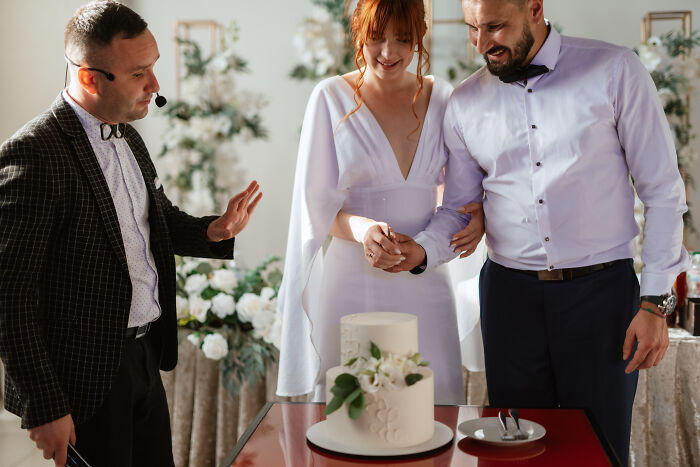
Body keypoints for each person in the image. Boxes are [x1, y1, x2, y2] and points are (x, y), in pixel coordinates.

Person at [395, 0, 690, 464]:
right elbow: (457, 210)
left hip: (602, 297)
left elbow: (663, 191)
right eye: (472, 28)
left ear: (535, 8)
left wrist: (656, 302)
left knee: (599, 450)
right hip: (509, 301)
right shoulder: (466, 102)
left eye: (494, 27)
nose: (481, 43)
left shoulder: (614, 70)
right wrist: (421, 251)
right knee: (512, 450)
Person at [0, 2, 262, 466]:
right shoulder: (32, 155)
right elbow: (9, 296)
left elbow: (154, 219)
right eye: (140, 73)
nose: (155, 86)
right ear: (89, 78)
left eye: (154, 67)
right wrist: (45, 404)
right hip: (84, 380)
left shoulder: (128, 136)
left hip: (145, 358)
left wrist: (214, 230)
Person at [276, 0, 483, 405]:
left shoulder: (443, 98)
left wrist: (446, 233)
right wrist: (364, 230)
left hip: (426, 278)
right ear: (358, 32)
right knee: (354, 411)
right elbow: (314, 210)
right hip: (352, 280)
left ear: (419, 38)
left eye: (403, 40)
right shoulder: (330, 98)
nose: (388, 53)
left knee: (431, 404)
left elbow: (458, 197)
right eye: (376, 38)